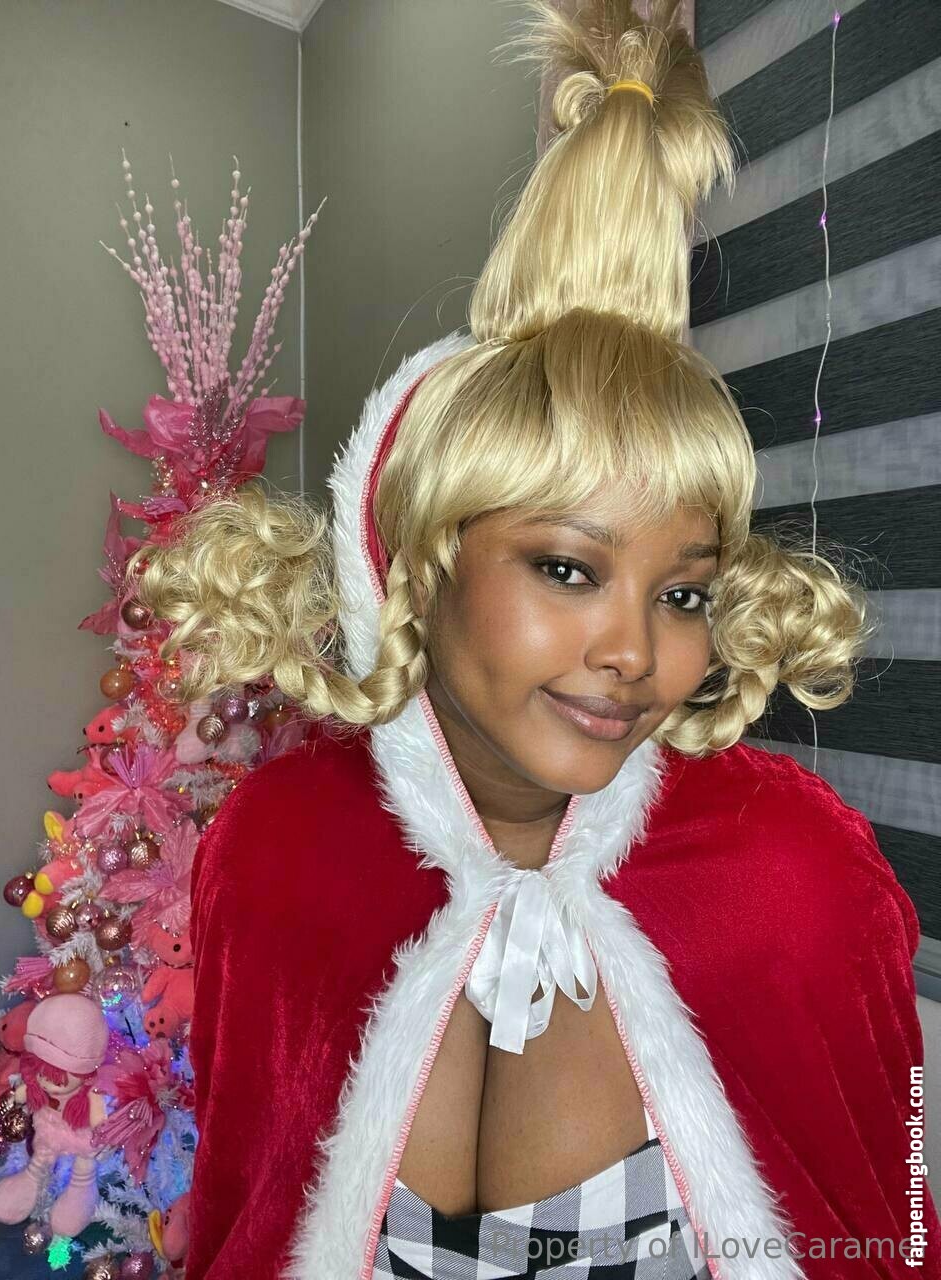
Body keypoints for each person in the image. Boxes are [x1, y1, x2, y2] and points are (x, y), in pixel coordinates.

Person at [129, 1, 939, 1277]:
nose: (637, 653)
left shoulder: (801, 879)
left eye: (684, 594)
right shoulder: (276, 851)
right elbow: (242, 1212)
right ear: (419, 560)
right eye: (568, 567)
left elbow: (893, 1215)